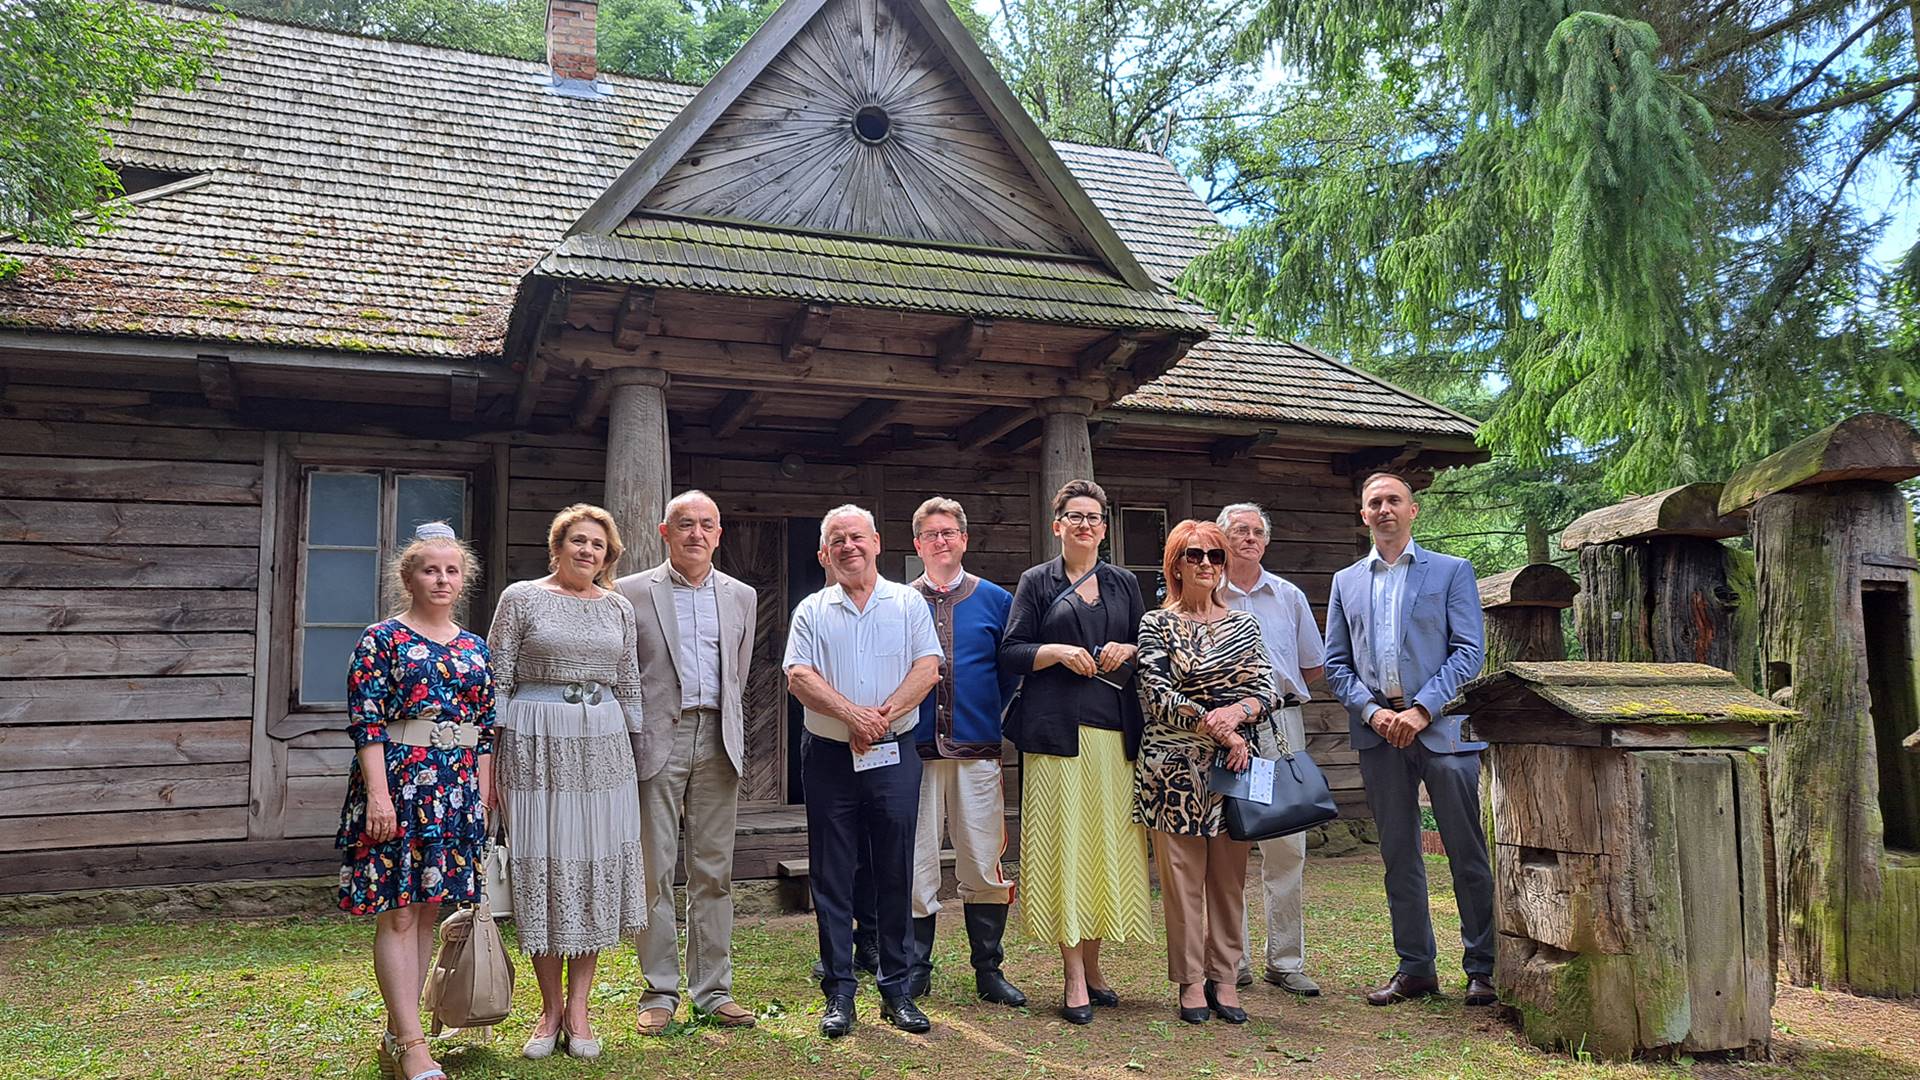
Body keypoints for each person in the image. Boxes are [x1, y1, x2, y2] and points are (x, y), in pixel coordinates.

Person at [1323, 472, 1494, 1007]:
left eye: (1394, 500)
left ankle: (1483, 969)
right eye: (1374, 502)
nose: (1384, 509)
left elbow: (1468, 651)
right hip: (1380, 737)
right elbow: (1335, 663)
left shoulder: (1451, 572)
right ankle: (1416, 968)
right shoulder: (1346, 581)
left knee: (1467, 853)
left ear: (1413, 510)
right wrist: (1374, 714)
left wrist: (1422, 709)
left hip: (1442, 732)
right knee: (1399, 855)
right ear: (1364, 515)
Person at [490, 503, 648, 1059]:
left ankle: (579, 1008)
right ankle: (549, 1007)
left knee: (592, 864)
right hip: (535, 744)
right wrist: (492, 763)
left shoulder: (619, 608)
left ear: (609, 557)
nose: (587, 551)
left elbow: (628, 681)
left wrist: (636, 750)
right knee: (544, 863)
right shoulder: (521, 598)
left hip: (603, 747)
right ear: (556, 546)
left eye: (598, 545)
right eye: (578, 541)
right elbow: (498, 681)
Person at [336, 522, 493, 1080]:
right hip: (400, 785)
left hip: (455, 791)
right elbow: (367, 723)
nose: (442, 579)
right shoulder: (382, 639)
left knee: (428, 911)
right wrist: (379, 796)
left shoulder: (475, 647)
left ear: (463, 578)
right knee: (399, 913)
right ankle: (411, 1044)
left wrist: (481, 798)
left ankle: (400, 1033)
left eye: (452, 570)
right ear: (409, 577)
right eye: (431, 569)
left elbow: (485, 729)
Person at [784, 504, 944, 1037]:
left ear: (877, 541)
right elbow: (798, 676)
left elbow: (928, 668)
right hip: (830, 755)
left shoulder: (908, 603)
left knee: (896, 867)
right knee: (832, 872)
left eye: (857, 537)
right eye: (837, 540)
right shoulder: (810, 609)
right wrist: (851, 715)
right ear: (823, 553)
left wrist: (881, 718)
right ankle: (839, 991)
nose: (848, 546)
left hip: (893, 752)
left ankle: (896, 988)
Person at [1000, 479, 1150, 1025]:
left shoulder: (1124, 582)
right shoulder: (1036, 581)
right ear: (1057, 524)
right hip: (1054, 737)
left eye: (1093, 517)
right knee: (1066, 846)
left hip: (1114, 733)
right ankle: (1071, 975)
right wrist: (1057, 651)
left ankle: (1096, 963)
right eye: (1074, 516)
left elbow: (1149, 646)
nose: (1084, 524)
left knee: (1105, 845)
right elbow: (1012, 651)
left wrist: (1127, 647)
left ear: (1104, 528)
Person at [616, 490, 759, 1035]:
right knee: (655, 870)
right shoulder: (629, 593)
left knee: (713, 871)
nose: (696, 533)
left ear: (718, 534)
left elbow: (737, 674)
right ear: (664, 532)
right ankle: (659, 989)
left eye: (706, 524)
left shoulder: (741, 595)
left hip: (719, 736)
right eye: (685, 524)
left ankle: (713, 990)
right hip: (658, 740)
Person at [1133, 520, 1281, 1025]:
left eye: (1215, 556)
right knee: (1181, 883)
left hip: (1234, 770)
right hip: (1171, 772)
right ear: (1174, 563)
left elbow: (1267, 688)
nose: (1205, 564)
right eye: (1193, 554)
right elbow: (1155, 694)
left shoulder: (1245, 625)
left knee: (1228, 882)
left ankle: (1225, 977)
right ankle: (1191, 982)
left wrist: (1237, 717)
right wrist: (1218, 724)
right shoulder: (1155, 623)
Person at [902, 497, 1025, 1007]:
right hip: (915, 751)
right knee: (916, 863)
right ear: (917, 544)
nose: (941, 540)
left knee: (981, 860)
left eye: (949, 532)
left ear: (964, 539)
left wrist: (982, 712)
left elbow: (1010, 669)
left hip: (976, 750)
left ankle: (988, 970)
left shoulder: (996, 599)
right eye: (931, 533)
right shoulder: (898, 601)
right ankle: (914, 969)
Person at [1218, 502, 1327, 997]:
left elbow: (1311, 666)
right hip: (1222, 734)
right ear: (1221, 538)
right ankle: (1230, 959)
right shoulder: (1207, 593)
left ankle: (1285, 961)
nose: (1249, 538)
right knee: (1228, 845)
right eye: (1239, 530)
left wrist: (1270, 699)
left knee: (1286, 845)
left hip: (1281, 725)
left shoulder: (1288, 595)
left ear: (1267, 540)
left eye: (1257, 531)